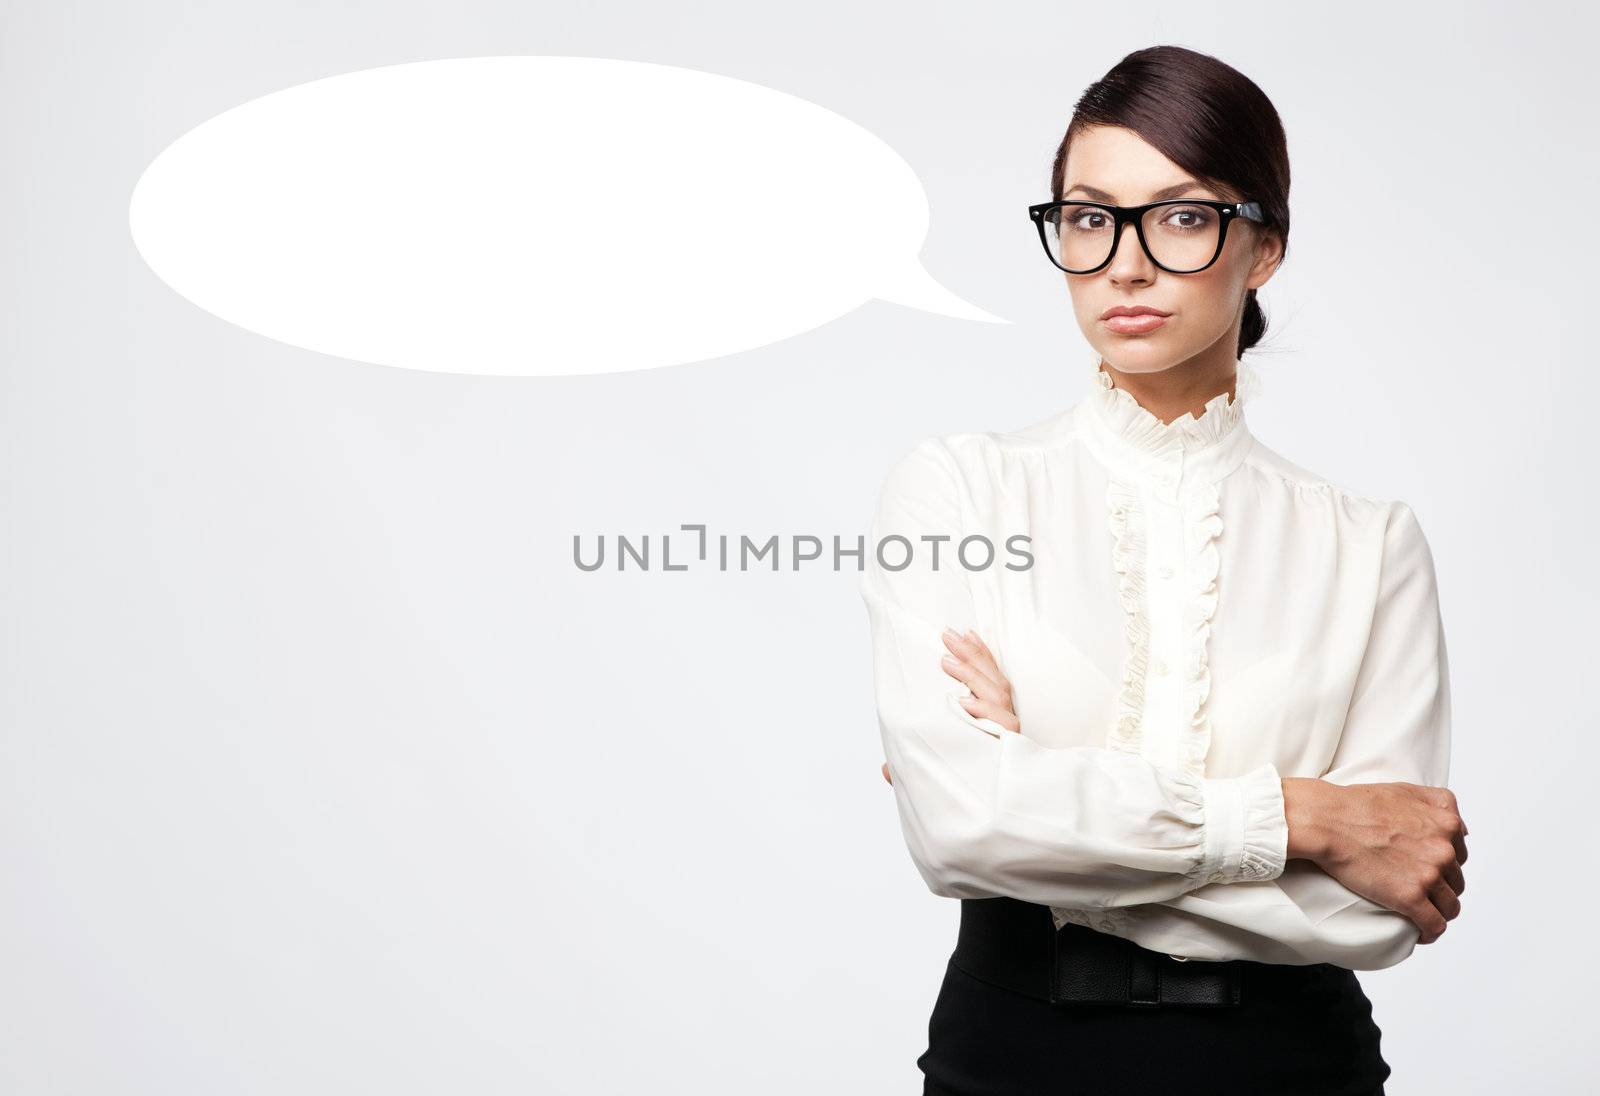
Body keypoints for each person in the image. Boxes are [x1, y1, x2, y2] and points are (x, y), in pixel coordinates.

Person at [858, 45, 1467, 1096]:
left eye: (1181, 217)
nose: (1125, 264)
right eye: (1090, 218)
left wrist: (1046, 806)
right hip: (1012, 1057)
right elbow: (961, 827)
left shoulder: (1368, 544)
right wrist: (1308, 819)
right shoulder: (959, 492)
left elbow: (1372, 906)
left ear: (1262, 246)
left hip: (1291, 1067)